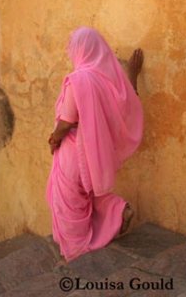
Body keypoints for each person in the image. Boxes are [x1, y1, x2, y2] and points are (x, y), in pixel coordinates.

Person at [45, 27, 144, 263]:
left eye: (73, 47)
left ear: (81, 50)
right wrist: (132, 75)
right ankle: (119, 211)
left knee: (70, 203)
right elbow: (128, 105)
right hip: (95, 154)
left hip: (73, 152)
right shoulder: (107, 81)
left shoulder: (77, 80)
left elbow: (67, 121)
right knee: (86, 193)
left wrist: (54, 138)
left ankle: (77, 253)